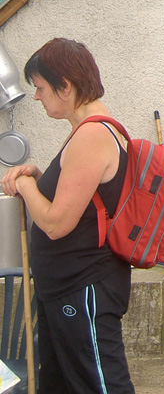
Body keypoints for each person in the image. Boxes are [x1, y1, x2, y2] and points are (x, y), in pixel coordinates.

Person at [1, 38, 135, 394]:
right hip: (66, 289)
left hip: (84, 288)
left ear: (66, 85)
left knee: (101, 385)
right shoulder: (87, 131)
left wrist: (26, 184)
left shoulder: (92, 134)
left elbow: (57, 224)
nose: (37, 96)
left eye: (41, 87)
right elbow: (83, 203)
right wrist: (40, 180)